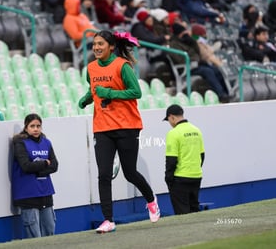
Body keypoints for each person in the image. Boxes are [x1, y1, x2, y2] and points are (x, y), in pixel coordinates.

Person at [78, 30, 161, 233]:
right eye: (94, 44)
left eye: (101, 44)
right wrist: (87, 98)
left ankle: (151, 201)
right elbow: (95, 89)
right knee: (104, 174)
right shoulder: (90, 68)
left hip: (127, 125)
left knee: (130, 173)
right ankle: (108, 220)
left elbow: (136, 92)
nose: (96, 47)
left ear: (111, 46)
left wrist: (110, 94)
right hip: (102, 127)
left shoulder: (122, 66)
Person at [11, 113, 59, 239]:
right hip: (28, 194)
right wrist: (44, 163)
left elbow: (54, 165)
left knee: (50, 231)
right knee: (34, 237)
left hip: (46, 192)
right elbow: (25, 166)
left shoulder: (47, 142)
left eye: (38, 126)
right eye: (32, 126)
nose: (36, 129)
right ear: (26, 128)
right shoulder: (20, 143)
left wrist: (38, 170)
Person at [163, 104, 205, 215]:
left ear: (172, 117)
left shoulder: (173, 133)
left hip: (180, 179)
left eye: (168, 120)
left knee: (182, 214)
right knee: (194, 211)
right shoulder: (197, 130)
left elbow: (171, 160)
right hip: (196, 176)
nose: (170, 124)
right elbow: (202, 156)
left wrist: (168, 178)